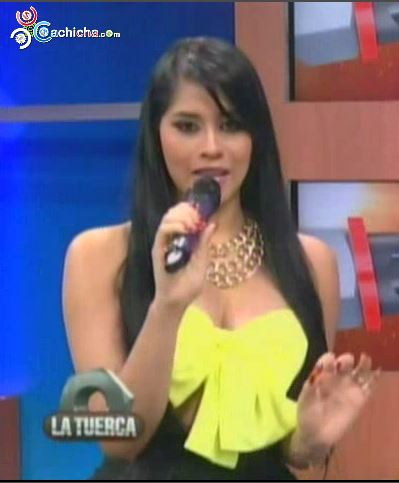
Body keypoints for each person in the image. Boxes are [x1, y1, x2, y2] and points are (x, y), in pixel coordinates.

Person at [62, 37, 379, 480]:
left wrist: (310, 440)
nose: (212, 147)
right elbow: (117, 439)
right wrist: (167, 305)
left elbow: (290, 450)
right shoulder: (98, 256)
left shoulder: (312, 262)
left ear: (255, 138)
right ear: (157, 134)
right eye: (188, 126)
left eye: (231, 125)